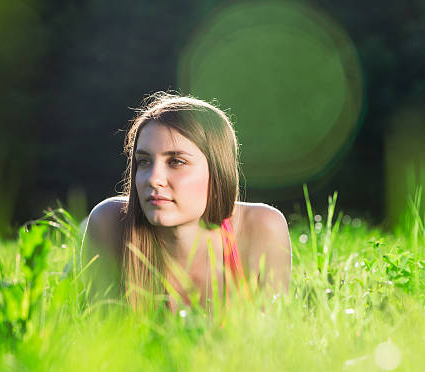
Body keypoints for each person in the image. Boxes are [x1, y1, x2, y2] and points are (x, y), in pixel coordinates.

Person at [81, 92, 291, 311]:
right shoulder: (108, 224)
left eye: (176, 161)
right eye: (144, 161)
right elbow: (101, 335)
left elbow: (274, 341)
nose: (153, 179)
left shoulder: (261, 228)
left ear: (218, 171)